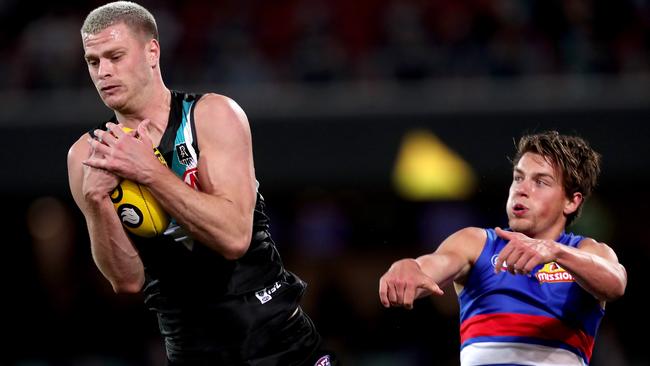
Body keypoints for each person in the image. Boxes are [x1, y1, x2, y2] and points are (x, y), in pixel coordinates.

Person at [66, 2, 337, 365]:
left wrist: (150, 171)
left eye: (115, 56)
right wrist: (97, 201)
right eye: (93, 61)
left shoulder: (213, 116)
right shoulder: (87, 154)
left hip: (279, 342)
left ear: (152, 51)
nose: (104, 72)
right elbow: (127, 280)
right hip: (191, 349)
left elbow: (234, 238)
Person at [379, 131, 627, 366]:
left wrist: (554, 251)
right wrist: (409, 266)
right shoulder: (476, 243)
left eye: (540, 182)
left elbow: (615, 284)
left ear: (572, 201)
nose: (521, 189)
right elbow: (432, 264)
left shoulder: (586, 251)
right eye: (519, 177)